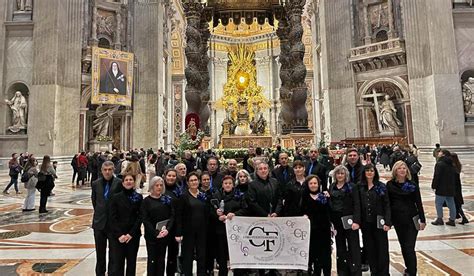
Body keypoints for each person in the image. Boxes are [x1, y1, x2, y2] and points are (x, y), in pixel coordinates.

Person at [387, 161, 426, 276]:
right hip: (398, 220)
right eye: (400, 168)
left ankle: (412, 272)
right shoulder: (390, 185)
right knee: (403, 246)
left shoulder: (412, 184)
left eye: (404, 168)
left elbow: (418, 202)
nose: (402, 170)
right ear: (395, 171)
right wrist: (388, 221)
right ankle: (409, 269)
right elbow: (387, 204)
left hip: (411, 220)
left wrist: (423, 219)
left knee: (409, 247)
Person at [245, 162, 281, 276]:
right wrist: (265, 215)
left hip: (274, 219)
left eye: (265, 168)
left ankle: (272, 270)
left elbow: (280, 198)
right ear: (257, 171)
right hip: (259, 219)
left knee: (273, 245)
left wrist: (276, 212)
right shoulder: (252, 185)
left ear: (268, 170)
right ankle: (261, 271)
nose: (263, 170)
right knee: (261, 247)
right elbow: (252, 202)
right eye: (260, 169)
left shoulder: (274, 182)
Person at [328, 165, 362, 276]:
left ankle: (356, 271)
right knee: (340, 246)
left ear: (346, 175)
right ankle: (342, 271)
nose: (340, 175)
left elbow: (357, 204)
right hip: (337, 221)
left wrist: (357, 221)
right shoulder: (332, 186)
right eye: (338, 173)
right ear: (335, 175)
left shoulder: (352, 186)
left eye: (342, 173)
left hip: (350, 221)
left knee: (354, 246)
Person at [358, 164, 391, 276]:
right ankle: (374, 271)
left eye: (371, 171)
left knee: (382, 248)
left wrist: (387, 222)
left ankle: (384, 272)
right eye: (367, 171)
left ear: (375, 172)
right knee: (370, 248)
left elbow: (387, 204)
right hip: (366, 223)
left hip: (379, 222)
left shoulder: (381, 186)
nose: (369, 173)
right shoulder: (360, 187)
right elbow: (357, 205)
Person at [91, 161, 122, 276]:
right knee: (100, 253)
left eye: (110, 169)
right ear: (102, 170)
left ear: (113, 170)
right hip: (99, 224)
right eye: (105, 170)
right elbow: (95, 201)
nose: (107, 172)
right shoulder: (95, 183)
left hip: (113, 224)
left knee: (113, 253)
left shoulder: (119, 183)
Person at [175, 172, 210, 276]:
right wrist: (178, 232)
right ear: (187, 183)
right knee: (188, 256)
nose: (194, 182)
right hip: (188, 231)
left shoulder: (203, 195)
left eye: (195, 180)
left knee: (202, 255)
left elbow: (207, 213)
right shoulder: (183, 197)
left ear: (199, 181)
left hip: (202, 231)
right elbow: (179, 215)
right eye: (191, 180)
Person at [108, 174, 143, 276]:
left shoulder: (138, 197)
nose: (128, 181)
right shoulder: (116, 198)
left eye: (131, 180)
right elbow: (112, 218)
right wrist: (120, 235)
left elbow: (140, 217)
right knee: (118, 264)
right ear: (122, 183)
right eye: (126, 180)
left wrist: (131, 234)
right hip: (119, 236)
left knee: (131, 263)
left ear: (134, 182)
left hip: (133, 235)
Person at [211, 175, 246, 276]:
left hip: (236, 231)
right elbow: (210, 211)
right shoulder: (217, 195)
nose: (228, 185)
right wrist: (217, 215)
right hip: (221, 230)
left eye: (230, 183)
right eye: (226, 183)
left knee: (236, 254)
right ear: (222, 185)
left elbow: (245, 209)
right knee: (222, 255)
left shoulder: (239, 195)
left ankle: (238, 273)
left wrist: (235, 214)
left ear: (233, 184)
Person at [141, 176, 174, 276]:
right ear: (152, 186)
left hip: (164, 235)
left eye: (161, 185)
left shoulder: (167, 199)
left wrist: (167, 229)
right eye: (156, 185)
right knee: (152, 260)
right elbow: (145, 219)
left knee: (161, 260)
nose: (159, 187)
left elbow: (172, 215)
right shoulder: (146, 201)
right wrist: (156, 233)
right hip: (152, 236)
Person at [301, 175, 331, 276]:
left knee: (325, 255)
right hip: (310, 232)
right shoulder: (304, 197)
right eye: (311, 183)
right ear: (307, 185)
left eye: (315, 183)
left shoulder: (324, 196)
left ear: (319, 184)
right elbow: (301, 211)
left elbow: (329, 213)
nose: (313, 185)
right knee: (313, 254)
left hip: (324, 231)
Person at [162, 168, 181, 275]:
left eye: (173, 176)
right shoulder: (160, 188)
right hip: (162, 226)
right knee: (160, 255)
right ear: (165, 176)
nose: (171, 178)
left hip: (174, 227)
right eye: (169, 175)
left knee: (172, 255)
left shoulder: (178, 190)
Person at [431, 149, 457, 226]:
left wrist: (434, 185)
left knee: (438, 203)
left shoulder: (439, 164)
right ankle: (452, 219)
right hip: (450, 186)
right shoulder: (452, 163)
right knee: (451, 204)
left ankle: (440, 219)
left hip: (441, 187)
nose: (438, 153)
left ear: (443, 154)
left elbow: (437, 176)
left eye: (440, 152)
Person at [451, 153, 469, 224]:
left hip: (455, 187)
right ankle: (457, 215)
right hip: (458, 186)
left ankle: (464, 218)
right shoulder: (458, 165)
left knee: (456, 203)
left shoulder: (453, 167)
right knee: (457, 203)